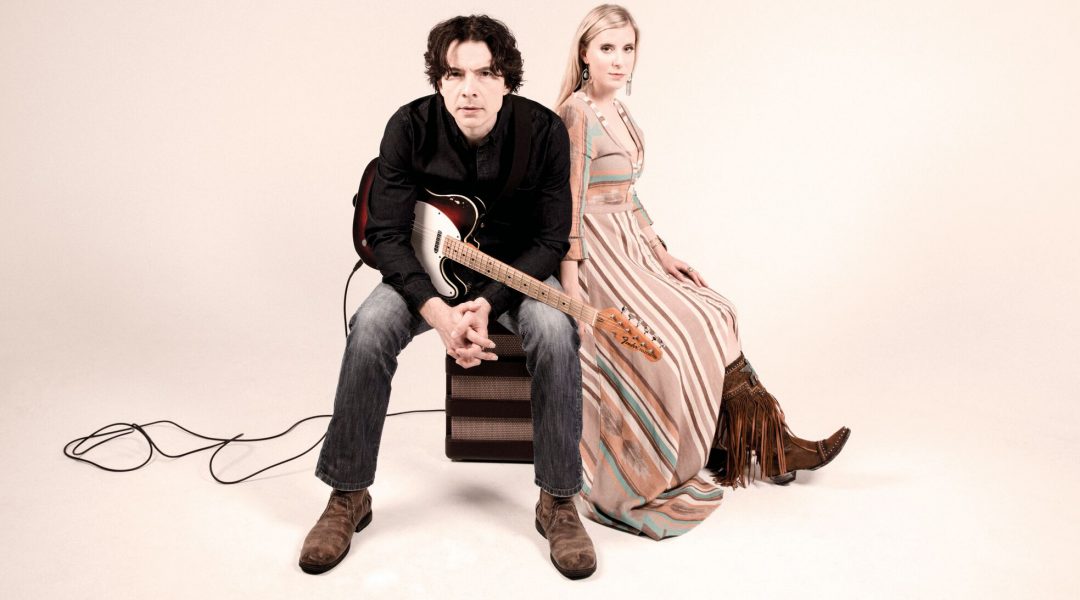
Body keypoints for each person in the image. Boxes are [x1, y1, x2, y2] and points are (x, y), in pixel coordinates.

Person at [299, 15, 596, 580]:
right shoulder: (408, 127)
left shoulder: (543, 132)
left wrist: (489, 302)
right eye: (455, 74)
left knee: (557, 330)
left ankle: (559, 500)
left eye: (485, 74)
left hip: (514, 277)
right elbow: (387, 234)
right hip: (424, 279)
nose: (469, 89)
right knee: (370, 327)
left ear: (507, 80)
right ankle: (348, 493)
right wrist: (435, 312)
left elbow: (549, 239)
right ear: (439, 80)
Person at [554, 5, 851, 540]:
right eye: (607, 48)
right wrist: (574, 291)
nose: (619, 60)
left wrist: (660, 251)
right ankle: (748, 445)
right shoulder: (576, 114)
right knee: (672, 337)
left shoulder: (619, 111)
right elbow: (568, 204)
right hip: (598, 257)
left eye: (627, 49)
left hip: (632, 246)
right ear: (584, 54)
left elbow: (628, 194)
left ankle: (763, 441)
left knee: (717, 311)